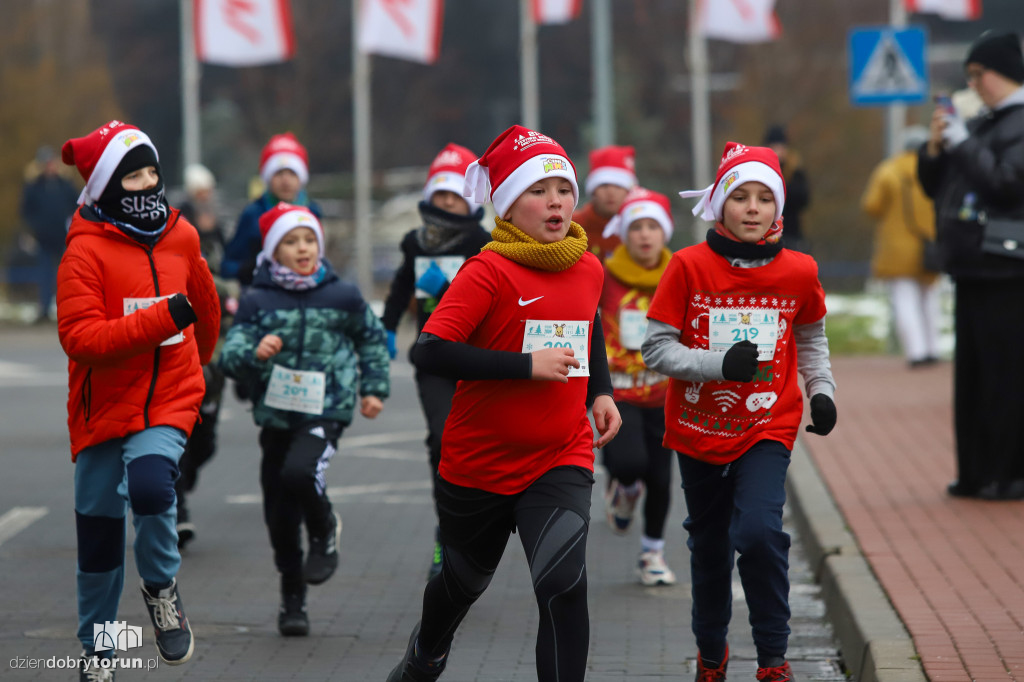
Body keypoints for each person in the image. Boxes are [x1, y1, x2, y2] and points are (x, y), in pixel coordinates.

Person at [387, 125, 622, 682]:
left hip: (559, 454)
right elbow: (430, 351)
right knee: (461, 586)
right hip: (480, 465)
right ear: (509, 206)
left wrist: (601, 390)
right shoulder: (487, 270)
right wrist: (526, 365)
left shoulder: (587, 266)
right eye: (539, 191)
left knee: (564, 587)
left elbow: (586, 329)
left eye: (564, 189)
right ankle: (428, 651)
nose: (557, 202)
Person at [644, 141, 837, 682]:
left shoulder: (799, 271)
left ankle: (773, 660)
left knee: (757, 533)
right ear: (719, 204)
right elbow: (656, 350)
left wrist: (821, 390)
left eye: (764, 198)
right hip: (698, 428)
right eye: (740, 196)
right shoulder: (686, 266)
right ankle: (711, 654)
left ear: (778, 208)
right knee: (708, 550)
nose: (752, 208)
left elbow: (813, 337)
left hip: (767, 425)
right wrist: (718, 365)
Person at [57, 120, 221, 678]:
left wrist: (200, 364)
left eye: (153, 171)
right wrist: (161, 319)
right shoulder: (83, 252)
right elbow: (80, 339)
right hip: (102, 409)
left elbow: (204, 305)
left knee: (153, 486)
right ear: (105, 187)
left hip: (168, 400)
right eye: (133, 177)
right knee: (99, 545)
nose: (149, 185)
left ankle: (161, 586)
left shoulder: (182, 236)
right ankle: (99, 651)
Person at [220, 202, 390, 637]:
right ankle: (292, 597)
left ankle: (323, 527)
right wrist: (254, 353)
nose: (302, 248)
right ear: (273, 252)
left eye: (309, 239)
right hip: (276, 414)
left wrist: (373, 388)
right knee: (279, 513)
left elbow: (371, 339)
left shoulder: (342, 295)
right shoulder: (258, 300)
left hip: (326, 407)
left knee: (301, 472)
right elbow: (229, 354)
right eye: (291, 242)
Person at [917, 31, 1024, 501]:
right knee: (974, 379)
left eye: (980, 74)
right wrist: (937, 149)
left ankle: (1010, 473)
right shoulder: (983, 123)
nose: (974, 84)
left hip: (1009, 270)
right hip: (974, 267)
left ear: (1006, 72)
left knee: (1006, 378)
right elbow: (935, 187)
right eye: (970, 76)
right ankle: (977, 471)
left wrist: (961, 143)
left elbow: (1006, 183)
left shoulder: (1019, 123)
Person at [380, 143, 491, 580]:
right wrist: (387, 329)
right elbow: (398, 290)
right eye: (440, 196)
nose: (447, 204)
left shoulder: (483, 243)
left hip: (475, 360)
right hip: (432, 357)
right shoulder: (416, 243)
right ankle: (448, 534)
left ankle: (475, 527)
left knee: (478, 450)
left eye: (455, 196)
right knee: (442, 442)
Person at [598, 187, 678, 586]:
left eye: (653, 227)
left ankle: (652, 554)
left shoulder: (680, 273)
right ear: (624, 233)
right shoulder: (603, 273)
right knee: (629, 463)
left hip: (665, 392)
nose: (645, 235)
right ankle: (625, 488)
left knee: (662, 478)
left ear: (665, 233)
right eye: (636, 227)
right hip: (619, 390)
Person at [175, 163, 236, 548]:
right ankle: (177, 510)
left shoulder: (219, 244)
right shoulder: (179, 228)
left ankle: (186, 477)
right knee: (174, 447)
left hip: (211, 377)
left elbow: (231, 318)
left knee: (204, 445)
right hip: (179, 370)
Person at [860, 126, 942, 369]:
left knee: (905, 300)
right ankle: (933, 349)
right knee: (930, 299)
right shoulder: (936, 171)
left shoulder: (888, 171)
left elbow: (871, 205)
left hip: (897, 247)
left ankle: (916, 352)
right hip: (930, 245)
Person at [221, 133, 322, 285]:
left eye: (292, 173)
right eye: (279, 173)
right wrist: (248, 270)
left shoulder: (312, 211)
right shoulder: (252, 213)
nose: (285, 180)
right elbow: (228, 265)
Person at [19, 145, 79, 323]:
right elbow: (26, 210)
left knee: (67, 275)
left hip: (63, 237)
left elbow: (76, 204)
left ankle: (68, 309)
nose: (48, 166)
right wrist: (33, 229)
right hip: (43, 238)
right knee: (45, 275)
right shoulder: (34, 186)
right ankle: (44, 310)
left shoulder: (65, 184)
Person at [572, 144, 636, 259]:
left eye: (618, 186)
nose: (611, 192)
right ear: (592, 190)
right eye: (604, 185)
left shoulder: (639, 228)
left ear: (629, 191)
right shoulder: (572, 226)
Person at [763, 125, 810, 253]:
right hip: (767, 233)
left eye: (780, 146)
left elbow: (804, 198)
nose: (778, 151)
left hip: (791, 233)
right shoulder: (762, 170)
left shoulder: (794, 170)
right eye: (774, 146)